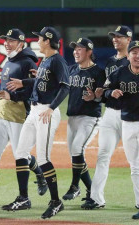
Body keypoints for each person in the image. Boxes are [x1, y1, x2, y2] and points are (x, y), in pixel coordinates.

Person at [0, 28, 47, 207]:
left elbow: (31, 91)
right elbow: (6, 89)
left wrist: (11, 97)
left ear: (21, 44)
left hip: (19, 116)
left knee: (21, 156)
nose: (6, 43)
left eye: (11, 41)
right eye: (6, 40)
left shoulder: (28, 63)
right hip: (1, 114)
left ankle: (25, 194)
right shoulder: (9, 61)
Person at [4, 26, 69, 219]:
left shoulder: (57, 61)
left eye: (40, 38)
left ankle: (56, 202)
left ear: (48, 41)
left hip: (46, 112)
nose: (37, 41)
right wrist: (25, 82)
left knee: (43, 158)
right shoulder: (46, 60)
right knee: (21, 152)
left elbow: (65, 87)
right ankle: (23, 197)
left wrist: (51, 108)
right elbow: (42, 81)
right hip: (34, 111)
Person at [86, 25, 132, 210]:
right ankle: (96, 199)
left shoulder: (134, 61)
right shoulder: (111, 62)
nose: (115, 39)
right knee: (102, 155)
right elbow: (105, 91)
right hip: (110, 115)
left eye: (119, 37)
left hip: (131, 116)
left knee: (135, 161)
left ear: (128, 39)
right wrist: (99, 94)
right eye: (114, 36)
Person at [62, 38, 105, 206]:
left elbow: (102, 96)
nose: (75, 52)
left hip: (90, 118)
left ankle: (74, 186)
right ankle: (91, 190)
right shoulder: (72, 70)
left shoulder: (98, 73)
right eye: (74, 49)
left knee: (77, 149)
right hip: (72, 118)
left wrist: (94, 97)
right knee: (76, 155)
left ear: (89, 52)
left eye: (80, 49)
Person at [103, 40, 139, 220]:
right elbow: (105, 90)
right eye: (134, 52)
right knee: (134, 167)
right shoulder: (120, 73)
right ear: (129, 55)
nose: (137, 55)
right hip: (127, 123)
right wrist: (111, 93)